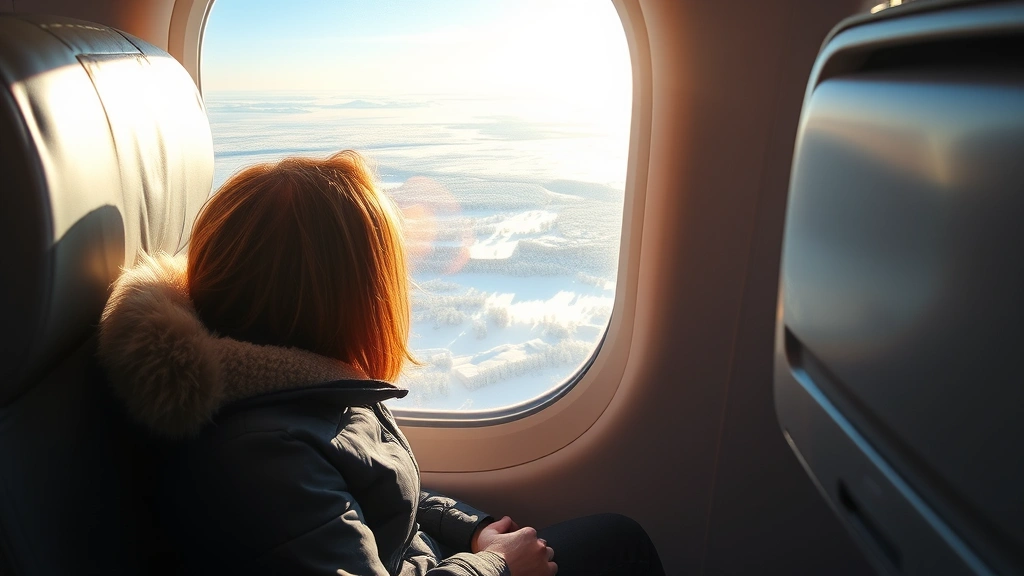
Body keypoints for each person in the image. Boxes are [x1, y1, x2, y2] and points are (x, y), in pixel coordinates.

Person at [98, 151, 665, 576]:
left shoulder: (310, 391)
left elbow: (391, 503)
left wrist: (472, 531)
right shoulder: (257, 455)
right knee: (621, 547)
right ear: (349, 303)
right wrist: (495, 567)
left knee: (617, 540)